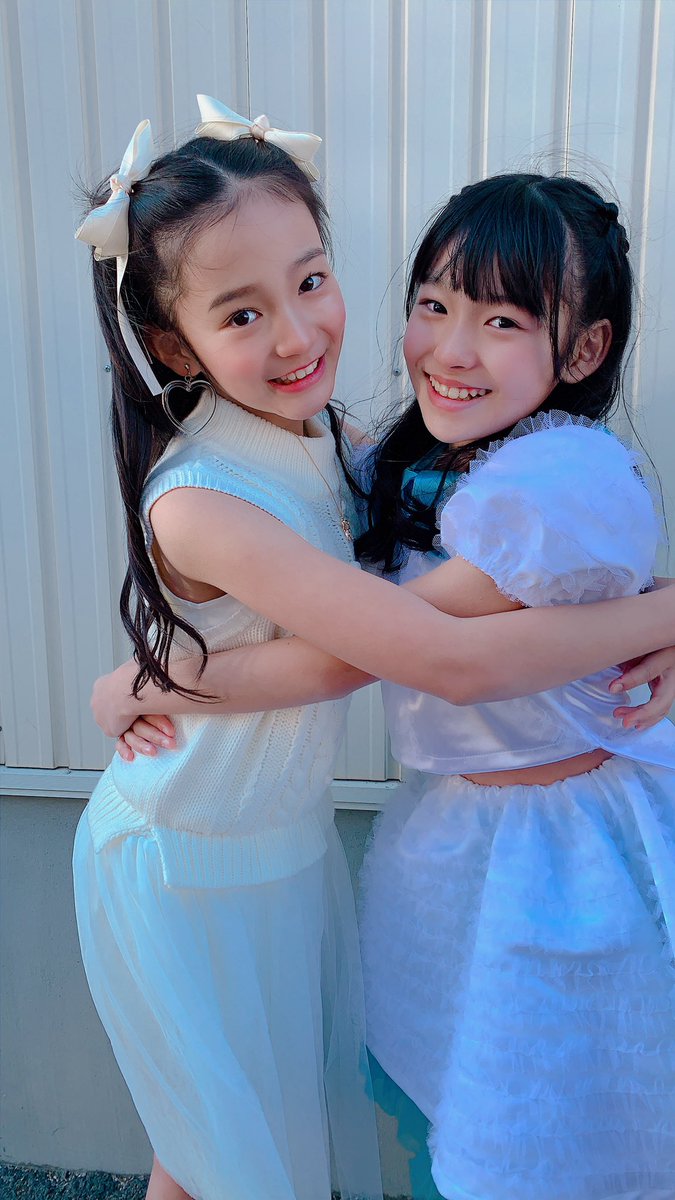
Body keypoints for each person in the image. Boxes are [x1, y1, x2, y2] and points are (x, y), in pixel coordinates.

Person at [80, 113, 675, 1200]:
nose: (297, 335)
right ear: (174, 346)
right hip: (188, 851)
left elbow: (456, 627)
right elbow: (410, 654)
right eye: (242, 312)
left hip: (281, 841)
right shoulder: (206, 498)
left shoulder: (335, 443)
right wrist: (143, 679)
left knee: (244, 1142)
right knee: (220, 1154)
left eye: (312, 282)